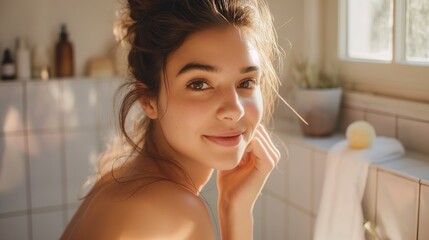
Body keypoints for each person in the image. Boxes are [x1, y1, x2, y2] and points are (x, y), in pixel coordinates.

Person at [61, 0, 282, 239]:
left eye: (246, 82)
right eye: (199, 84)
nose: (235, 109)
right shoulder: (174, 212)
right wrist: (236, 216)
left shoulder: (120, 179)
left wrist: (234, 206)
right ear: (148, 99)